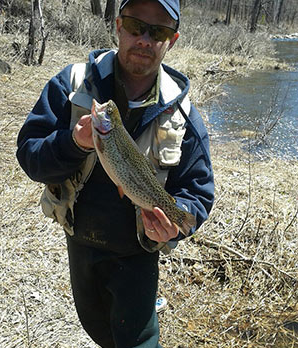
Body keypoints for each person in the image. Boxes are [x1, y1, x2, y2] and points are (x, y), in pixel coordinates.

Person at [16, 0, 215, 347]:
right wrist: (73, 143)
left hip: (137, 254)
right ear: (119, 26)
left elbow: (197, 193)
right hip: (79, 243)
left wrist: (175, 226)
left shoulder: (184, 115)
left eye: (159, 31)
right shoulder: (72, 85)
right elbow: (30, 157)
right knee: (99, 331)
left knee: (138, 341)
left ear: (173, 40)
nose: (145, 40)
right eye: (137, 26)